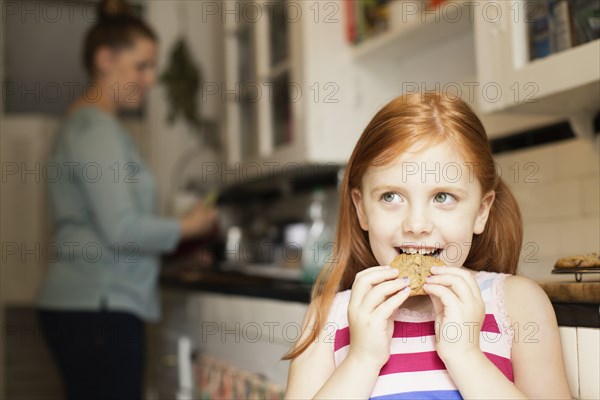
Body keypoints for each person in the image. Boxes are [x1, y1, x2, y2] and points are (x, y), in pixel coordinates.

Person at [284, 92, 571, 399]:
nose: (417, 224)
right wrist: (362, 359)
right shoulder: (328, 317)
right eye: (390, 196)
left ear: (481, 211)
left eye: (442, 197)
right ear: (362, 209)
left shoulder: (517, 304)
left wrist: (466, 356)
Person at [36, 0, 217, 399]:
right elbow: (122, 230)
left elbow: (109, 228)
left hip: (90, 307)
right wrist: (192, 225)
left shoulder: (90, 127)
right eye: (142, 65)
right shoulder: (95, 130)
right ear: (104, 59)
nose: (151, 80)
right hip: (96, 308)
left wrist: (179, 242)